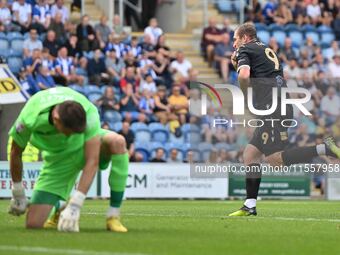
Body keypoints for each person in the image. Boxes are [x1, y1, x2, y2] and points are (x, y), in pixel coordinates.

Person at [229, 23, 340, 217]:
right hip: (278, 105)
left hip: (271, 108)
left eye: (235, 39)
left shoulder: (245, 49)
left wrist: (244, 94)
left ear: (245, 37)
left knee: (274, 160)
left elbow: (245, 75)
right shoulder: (265, 48)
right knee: (250, 155)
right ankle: (250, 205)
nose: (233, 44)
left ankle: (324, 148)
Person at [8, 87, 129, 233]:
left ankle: (113, 215)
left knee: (118, 141)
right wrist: (18, 191)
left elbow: (92, 160)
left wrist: (76, 204)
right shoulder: (29, 117)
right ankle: (60, 206)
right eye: (68, 132)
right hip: (58, 159)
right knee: (33, 224)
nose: (71, 135)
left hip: (85, 145)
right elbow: (15, 152)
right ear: (56, 119)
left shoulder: (88, 112)